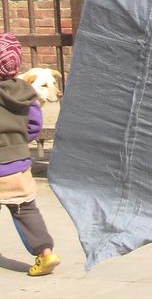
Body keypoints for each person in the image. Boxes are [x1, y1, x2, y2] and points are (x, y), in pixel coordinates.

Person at [0, 32, 60, 276]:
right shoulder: (26, 94)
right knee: (25, 209)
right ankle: (45, 253)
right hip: (19, 165)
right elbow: (34, 127)